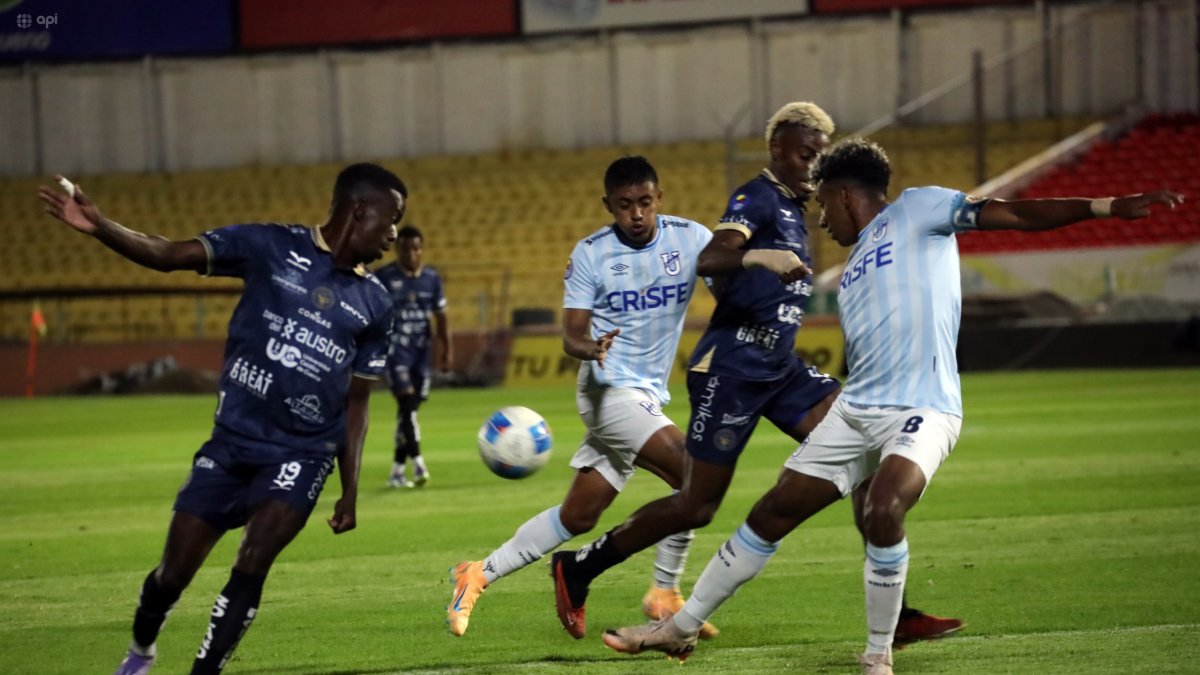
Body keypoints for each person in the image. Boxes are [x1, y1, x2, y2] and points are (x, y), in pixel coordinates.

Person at [600, 139, 1184, 673]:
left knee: (883, 507)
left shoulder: (919, 209)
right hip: (857, 410)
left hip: (923, 407)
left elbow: (1015, 214)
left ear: (843, 194)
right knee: (772, 511)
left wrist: (1106, 206)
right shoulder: (853, 268)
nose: (820, 220)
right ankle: (678, 629)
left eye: (823, 206)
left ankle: (878, 656)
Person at [549, 102, 962, 643]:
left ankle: (896, 612)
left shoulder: (799, 211)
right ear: (776, 149)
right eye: (805, 153)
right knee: (697, 504)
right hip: (733, 368)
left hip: (780, 367)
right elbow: (711, 258)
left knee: (861, 451)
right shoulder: (758, 197)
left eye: (820, 156)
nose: (813, 165)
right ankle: (579, 567)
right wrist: (760, 258)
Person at [37, 163, 406, 675]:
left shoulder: (377, 304)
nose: (394, 234)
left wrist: (350, 488)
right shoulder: (269, 246)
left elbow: (358, 402)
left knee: (253, 561)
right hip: (231, 444)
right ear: (359, 209)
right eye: (392, 219)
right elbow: (168, 255)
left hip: (303, 454)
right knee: (171, 576)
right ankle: (141, 653)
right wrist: (102, 226)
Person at [446, 155, 721, 639]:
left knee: (578, 515)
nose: (636, 214)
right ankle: (664, 591)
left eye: (644, 202)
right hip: (607, 390)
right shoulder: (592, 254)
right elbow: (571, 334)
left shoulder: (691, 238)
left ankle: (477, 573)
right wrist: (590, 347)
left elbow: (731, 293)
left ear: (659, 198)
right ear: (608, 205)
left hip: (645, 396)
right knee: (694, 474)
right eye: (624, 205)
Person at [374, 225, 450, 488]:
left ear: (422, 250)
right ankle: (418, 462)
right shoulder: (384, 277)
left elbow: (441, 317)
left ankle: (397, 470)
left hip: (421, 353)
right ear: (397, 250)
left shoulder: (431, 278)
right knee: (407, 405)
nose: (412, 254)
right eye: (406, 249)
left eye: (416, 249)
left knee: (407, 413)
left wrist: (446, 350)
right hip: (395, 351)